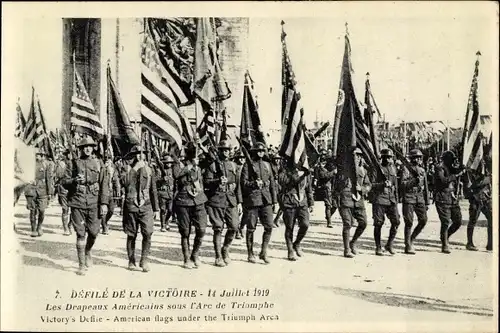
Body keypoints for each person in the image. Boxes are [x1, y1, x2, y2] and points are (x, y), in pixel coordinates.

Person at [62, 137, 107, 276]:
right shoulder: (72, 163)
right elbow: (63, 182)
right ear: (81, 148)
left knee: (93, 232)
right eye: (84, 146)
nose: (87, 148)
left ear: (93, 148)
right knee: (80, 233)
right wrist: (74, 181)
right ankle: (81, 265)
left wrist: (104, 203)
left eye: (90, 146)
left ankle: (88, 251)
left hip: (94, 202)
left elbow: (104, 184)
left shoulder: (99, 163)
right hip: (78, 201)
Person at [204, 140, 242, 267]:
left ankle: (225, 248)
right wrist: (217, 181)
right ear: (219, 151)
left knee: (234, 226)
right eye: (223, 150)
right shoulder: (212, 166)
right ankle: (218, 256)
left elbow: (238, 186)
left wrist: (239, 202)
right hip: (216, 199)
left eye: (227, 150)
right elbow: (207, 182)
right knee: (218, 228)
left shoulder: (234, 166)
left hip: (231, 199)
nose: (225, 152)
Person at [121, 145, 159, 272]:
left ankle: (144, 260)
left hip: (146, 205)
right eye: (136, 154)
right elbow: (124, 183)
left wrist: (156, 208)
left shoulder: (148, 169)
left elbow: (153, 189)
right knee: (131, 234)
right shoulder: (126, 168)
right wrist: (135, 169)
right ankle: (131, 261)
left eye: (140, 153)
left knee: (148, 232)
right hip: (131, 205)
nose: (138, 156)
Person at [240, 142, 277, 264]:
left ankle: (263, 252)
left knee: (269, 226)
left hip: (266, 200)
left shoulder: (267, 165)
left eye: (262, 151)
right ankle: (250, 253)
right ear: (254, 152)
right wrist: (254, 184)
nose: (261, 153)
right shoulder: (247, 165)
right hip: (253, 200)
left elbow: (272, 183)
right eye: (258, 151)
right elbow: (243, 183)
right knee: (251, 228)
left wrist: (274, 201)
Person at [173, 143, 208, 269]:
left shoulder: (198, 166)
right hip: (183, 201)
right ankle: (187, 258)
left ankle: (195, 254)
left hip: (198, 200)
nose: (196, 158)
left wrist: (200, 145)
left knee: (202, 229)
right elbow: (176, 175)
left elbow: (211, 159)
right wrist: (189, 166)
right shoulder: (180, 164)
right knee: (185, 232)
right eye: (194, 155)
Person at [335, 148, 371, 258]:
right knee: (347, 223)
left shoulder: (363, 171)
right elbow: (337, 185)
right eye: (355, 155)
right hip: (346, 199)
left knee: (363, 223)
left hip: (358, 200)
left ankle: (353, 242)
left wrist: (362, 189)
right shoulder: (344, 170)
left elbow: (368, 185)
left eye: (360, 156)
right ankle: (346, 250)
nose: (358, 158)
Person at [277, 158, 314, 261]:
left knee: (305, 224)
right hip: (289, 202)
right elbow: (284, 182)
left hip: (302, 202)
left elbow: (308, 188)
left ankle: (297, 243)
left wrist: (311, 203)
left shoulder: (305, 171)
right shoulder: (284, 170)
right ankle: (290, 250)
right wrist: (298, 174)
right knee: (289, 227)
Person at [433, 150, 466, 254]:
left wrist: (462, 168)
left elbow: (458, 172)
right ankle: (444, 244)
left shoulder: (451, 168)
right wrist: (456, 175)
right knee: (445, 221)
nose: (453, 161)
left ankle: (446, 236)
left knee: (458, 221)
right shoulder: (440, 168)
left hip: (452, 198)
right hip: (442, 197)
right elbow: (443, 181)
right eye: (451, 159)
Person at [399, 149, 429, 254]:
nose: (418, 159)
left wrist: (427, 202)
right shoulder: (406, 169)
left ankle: (411, 238)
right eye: (415, 157)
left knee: (423, 220)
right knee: (409, 222)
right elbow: (402, 185)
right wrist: (413, 181)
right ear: (411, 159)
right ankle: (407, 245)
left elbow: (426, 186)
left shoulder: (422, 170)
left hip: (419, 197)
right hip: (409, 197)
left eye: (419, 157)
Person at [370, 148, 400, 256]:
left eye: (390, 157)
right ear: (382, 158)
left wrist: (396, 199)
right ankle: (378, 247)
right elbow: (371, 185)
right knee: (378, 224)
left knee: (396, 221)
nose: (388, 159)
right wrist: (382, 184)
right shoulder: (376, 169)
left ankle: (389, 244)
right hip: (379, 199)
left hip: (391, 199)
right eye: (386, 157)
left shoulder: (393, 169)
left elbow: (395, 185)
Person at [24, 148, 54, 237]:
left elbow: (49, 179)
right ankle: (33, 229)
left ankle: (39, 227)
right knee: (32, 211)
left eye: (39, 155)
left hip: (42, 190)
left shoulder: (46, 165)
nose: (37, 156)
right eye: (36, 155)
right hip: (31, 190)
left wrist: (49, 193)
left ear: (42, 156)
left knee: (42, 210)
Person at [464, 159, 492, 251]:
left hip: (485, 198)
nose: (483, 163)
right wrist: (488, 179)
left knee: (492, 219)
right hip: (475, 199)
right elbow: (474, 183)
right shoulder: (471, 171)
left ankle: (490, 243)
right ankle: (469, 243)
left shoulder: (486, 169)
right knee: (473, 220)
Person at [101, 150, 121, 235]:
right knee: (103, 211)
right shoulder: (102, 168)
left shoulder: (114, 169)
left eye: (109, 159)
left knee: (111, 210)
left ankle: (105, 222)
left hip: (111, 192)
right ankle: (104, 226)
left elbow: (116, 180)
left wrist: (118, 190)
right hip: (103, 192)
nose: (108, 161)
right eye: (106, 160)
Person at [316, 156, 337, 228]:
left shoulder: (328, 168)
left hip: (332, 189)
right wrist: (333, 172)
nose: (323, 163)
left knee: (335, 205)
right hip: (325, 189)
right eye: (322, 161)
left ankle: (328, 216)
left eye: (325, 161)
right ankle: (329, 222)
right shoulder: (320, 169)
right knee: (328, 205)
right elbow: (324, 176)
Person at [157, 153, 175, 232]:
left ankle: (167, 221)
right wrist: (161, 179)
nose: (169, 164)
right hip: (162, 193)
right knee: (163, 209)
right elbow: (155, 180)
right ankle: (163, 225)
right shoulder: (159, 170)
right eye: (167, 163)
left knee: (170, 210)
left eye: (170, 163)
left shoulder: (173, 170)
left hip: (170, 193)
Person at [55, 149, 71, 235]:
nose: (70, 156)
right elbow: (59, 175)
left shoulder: (76, 163)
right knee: (65, 209)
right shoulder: (62, 164)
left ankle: (70, 225)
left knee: (75, 208)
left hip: (73, 188)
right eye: (68, 154)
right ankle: (66, 228)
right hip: (64, 187)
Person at [233, 150, 247, 239]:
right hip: (236, 192)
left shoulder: (248, 167)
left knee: (246, 212)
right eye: (240, 158)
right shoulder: (235, 168)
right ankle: (237, 230)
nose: (242, 160)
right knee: (238, 212)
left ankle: (242, 226)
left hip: (246, 193)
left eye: (243, 158)